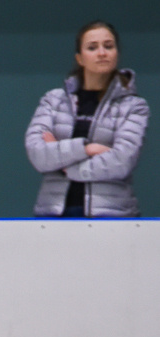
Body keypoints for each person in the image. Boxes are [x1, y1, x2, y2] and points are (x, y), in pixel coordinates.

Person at [25, 20, 149, 218]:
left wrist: (65, 166)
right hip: (54, 215)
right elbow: (38, 155)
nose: (102, 53)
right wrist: (87, 149)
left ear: (116, 53)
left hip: (112, 215)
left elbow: (122, 161)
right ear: (80, 58)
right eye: (92, 47)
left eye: (108, 46)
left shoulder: (133, 106)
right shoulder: (54, 100)